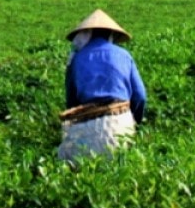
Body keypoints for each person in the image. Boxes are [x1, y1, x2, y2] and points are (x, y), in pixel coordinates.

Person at [58, 9, 147, 163]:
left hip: (86, 127)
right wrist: (135, 122)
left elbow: (71, 102)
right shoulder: (124, 55)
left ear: (88, 34)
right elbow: (140, 96)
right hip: (121, 124)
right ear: (111, 35)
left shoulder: (77, 59)